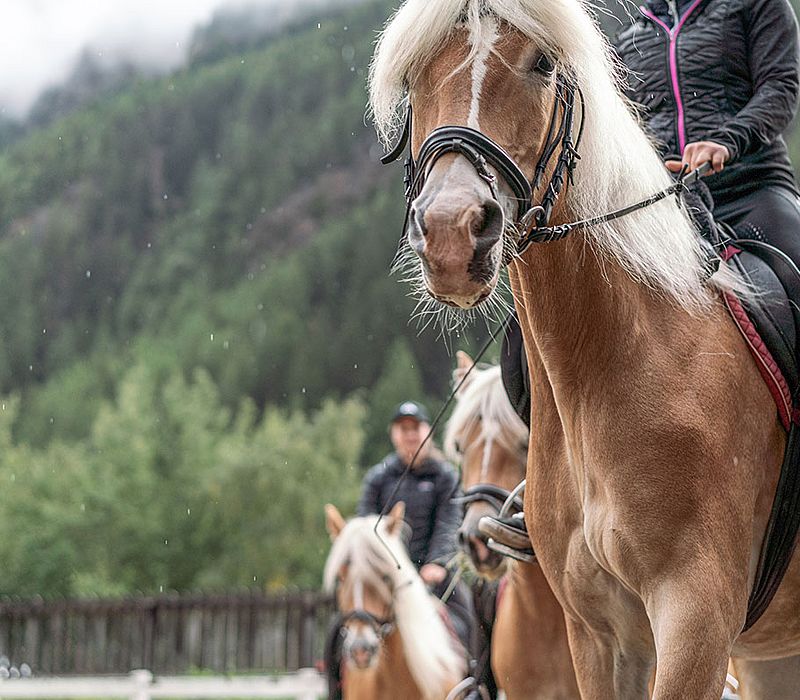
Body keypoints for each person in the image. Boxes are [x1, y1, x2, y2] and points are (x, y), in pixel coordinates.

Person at [485, 0, 800, 557]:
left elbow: (781, 89)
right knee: (527, 338)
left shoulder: (756, 5)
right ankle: (558, 486)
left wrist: (728, 139)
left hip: (751, 186)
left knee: (794, 288)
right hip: (661, 203)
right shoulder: (629, 33)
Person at [326, 400, 478, 699]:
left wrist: (436, 564)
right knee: (336, 631)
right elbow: (363, 527)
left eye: (415, 428)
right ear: (393, 434)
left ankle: (474, 685)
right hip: (383, 578)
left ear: (427, 432)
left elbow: (449, 523)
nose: (409, 435)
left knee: (469, 616)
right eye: (402, 429)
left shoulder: (445, 476)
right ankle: (335, 691)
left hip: (433, 574)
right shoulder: (378, 477)